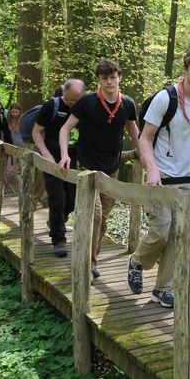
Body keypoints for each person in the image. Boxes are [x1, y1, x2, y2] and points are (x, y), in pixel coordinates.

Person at [128, 49, 190, 308]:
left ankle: (163, 289)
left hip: (187, 175)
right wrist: (152, 168)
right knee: (161, 230)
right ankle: (137, 261)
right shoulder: (165, 98)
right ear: (185, 69)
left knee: (178, 234)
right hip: (161, 175)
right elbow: (144, 138)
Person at [59, 61, 139, 280]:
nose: (109, 82)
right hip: (87, 166)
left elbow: (134, 131)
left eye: (113, 77)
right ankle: (87, 264)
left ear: (120, 77)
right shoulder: (87, 103)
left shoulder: (128, 104)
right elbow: (65, 129)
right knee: (93, 215)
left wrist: (147, 159)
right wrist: (65, 154)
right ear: (99, 80)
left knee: (102, 218)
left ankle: (91, 257)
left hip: (111, 168)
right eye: (105, 78)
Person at [33, 79, 85, 257]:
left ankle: (57, 221)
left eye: (76, 100)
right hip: (53, 160)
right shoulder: (52, 106)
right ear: (64, 93)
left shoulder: (85, 107)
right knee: (57, 197)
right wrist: (45, 153)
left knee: (72, 199)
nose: (72, 104)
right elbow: (36, 132)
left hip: (74, 161)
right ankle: (59, 240)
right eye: (69, 99)